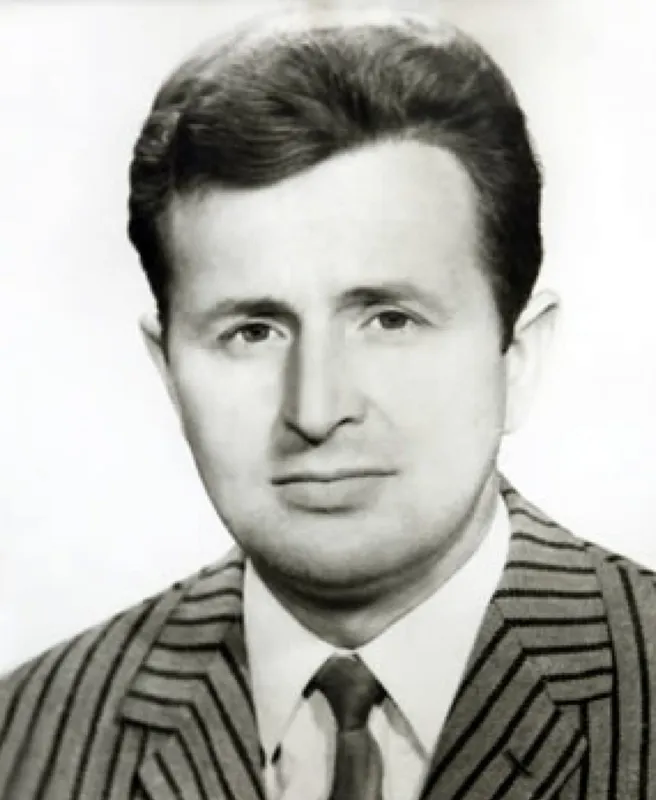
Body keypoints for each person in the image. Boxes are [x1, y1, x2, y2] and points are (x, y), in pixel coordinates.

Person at [1, 8, 655, 800]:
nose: (315, 411)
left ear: (518, 355)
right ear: (168, 371)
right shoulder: (25, 740)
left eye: (389, 320)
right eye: (252, 332)